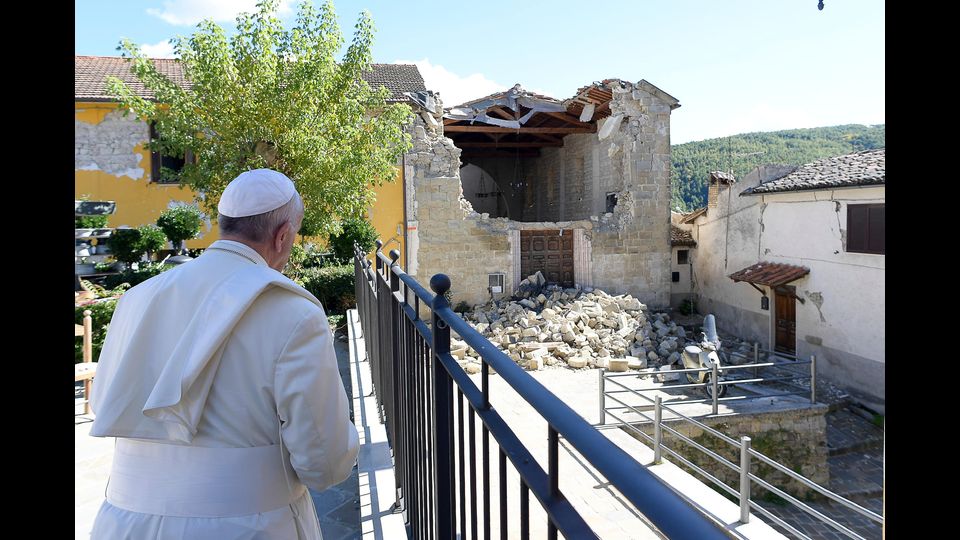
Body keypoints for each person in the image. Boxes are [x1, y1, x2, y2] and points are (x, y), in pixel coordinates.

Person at [88, 168, 359, 539]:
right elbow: (324, 464)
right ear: (282, 237)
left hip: (124, 524)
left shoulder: (136, 298)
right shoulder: (294, 312)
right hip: (249, 526)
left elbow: (103, 405)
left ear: (224, 225)